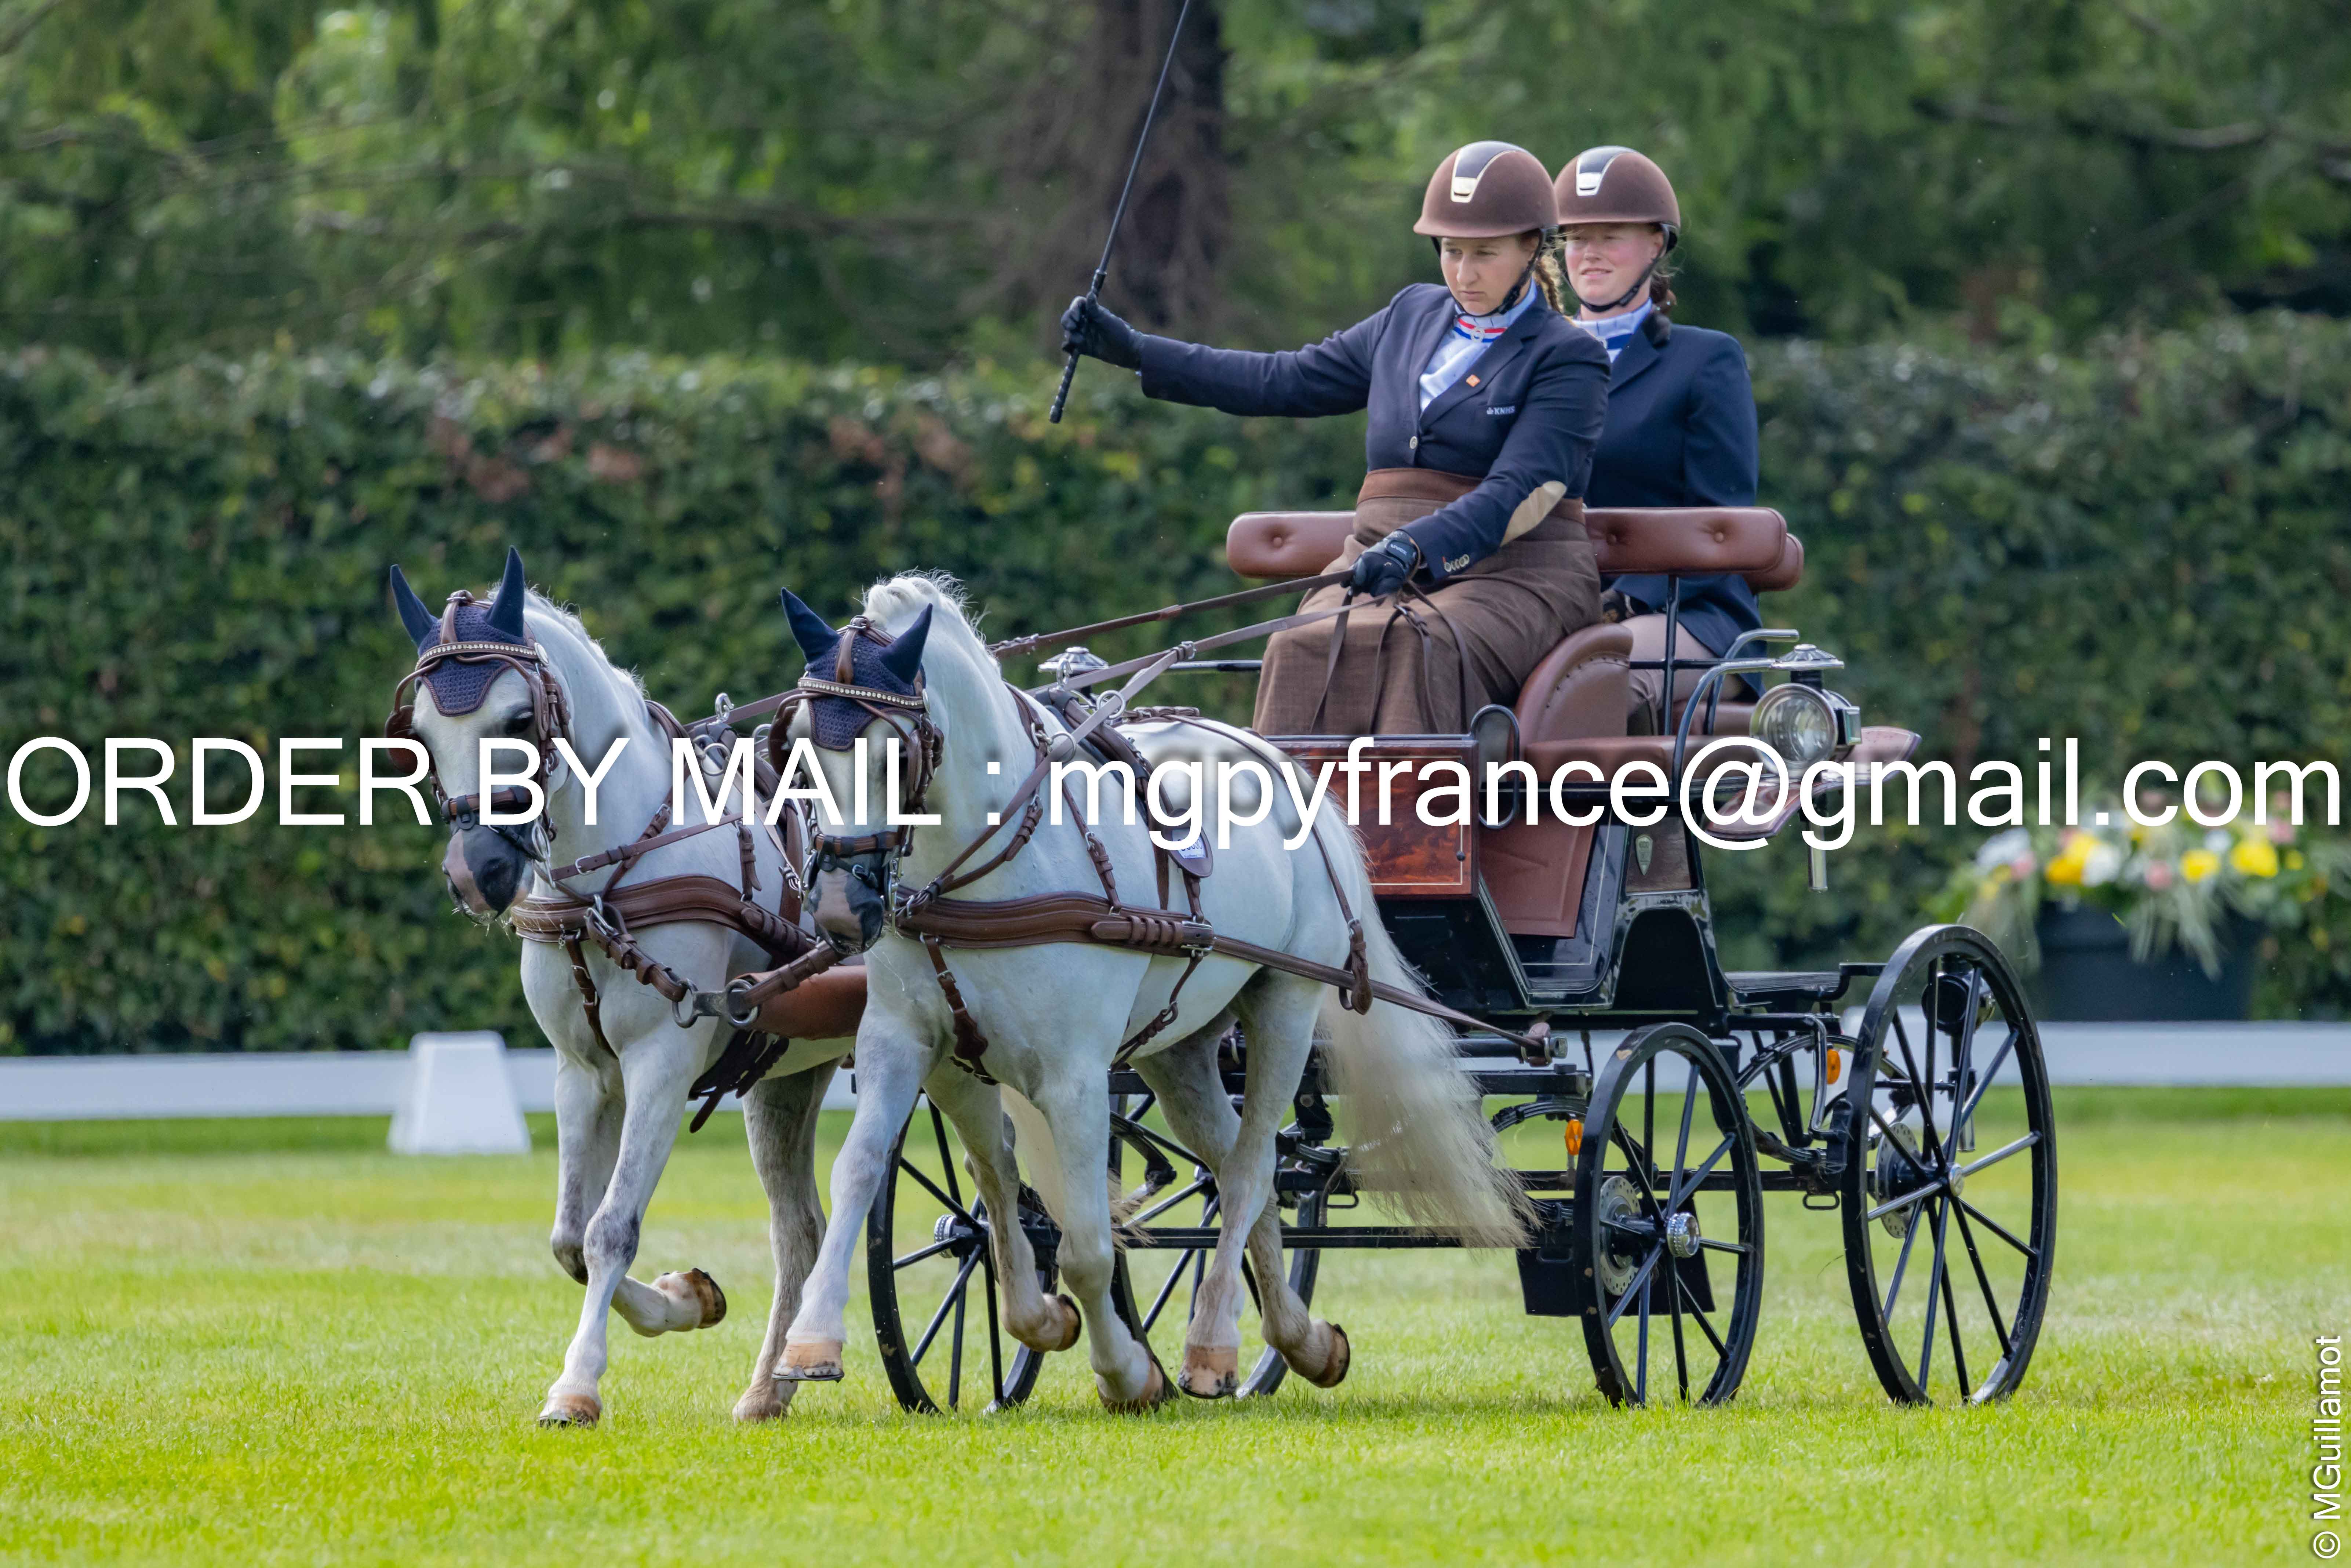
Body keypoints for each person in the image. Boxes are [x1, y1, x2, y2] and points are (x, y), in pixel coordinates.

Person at [1060, 142, 1609, 736]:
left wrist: (1417, 545)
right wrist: (1138, 352)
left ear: (1532, 247)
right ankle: (1289, 800)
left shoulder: (1569, 355)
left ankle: (1418, 801)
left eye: (1485, 254)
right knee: (1298, 646)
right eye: (1452, 251)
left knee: (1416, 647)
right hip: (1380, 560)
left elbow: (1521, 489)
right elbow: (1282, 380)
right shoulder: (1408, 316)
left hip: (1517, 573)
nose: (1463, 273)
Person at [1552, 145, 1762, 732]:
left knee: (1584, 685)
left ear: (1655, 245)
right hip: (1552, 601)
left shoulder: (1705, 361)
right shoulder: (1532, 360)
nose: (1590, 253)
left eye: (1610, 236)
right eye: (1576, 238)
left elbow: (1721, 520)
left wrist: (1625, 598)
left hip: (1684, 610)